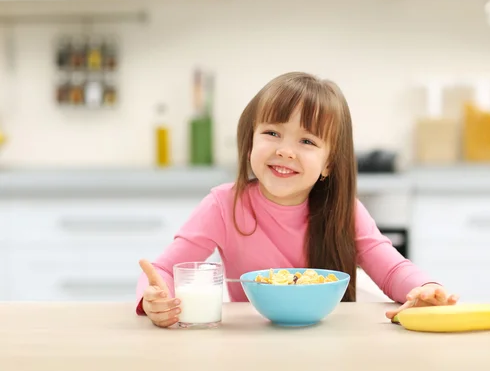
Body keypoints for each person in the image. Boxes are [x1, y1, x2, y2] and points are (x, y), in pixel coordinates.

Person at [136, 71, 459, 328]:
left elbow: (391, 270)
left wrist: (426, 288)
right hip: (250, 345)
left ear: (329, 163)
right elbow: (163, 269)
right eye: (272, 133)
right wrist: (155, 300)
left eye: (306, 140)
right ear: (250, 140)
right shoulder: (224, 205)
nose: (285, 150)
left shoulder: (342, 211)